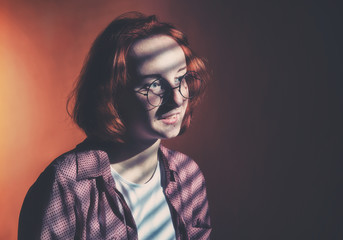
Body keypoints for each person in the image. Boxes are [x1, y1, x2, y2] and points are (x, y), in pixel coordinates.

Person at [18, 12, 211, 240]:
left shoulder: (189, 176)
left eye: (181, 78)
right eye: (155, 84)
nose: (177, 99)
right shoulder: (66, 184)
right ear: (112, 95)